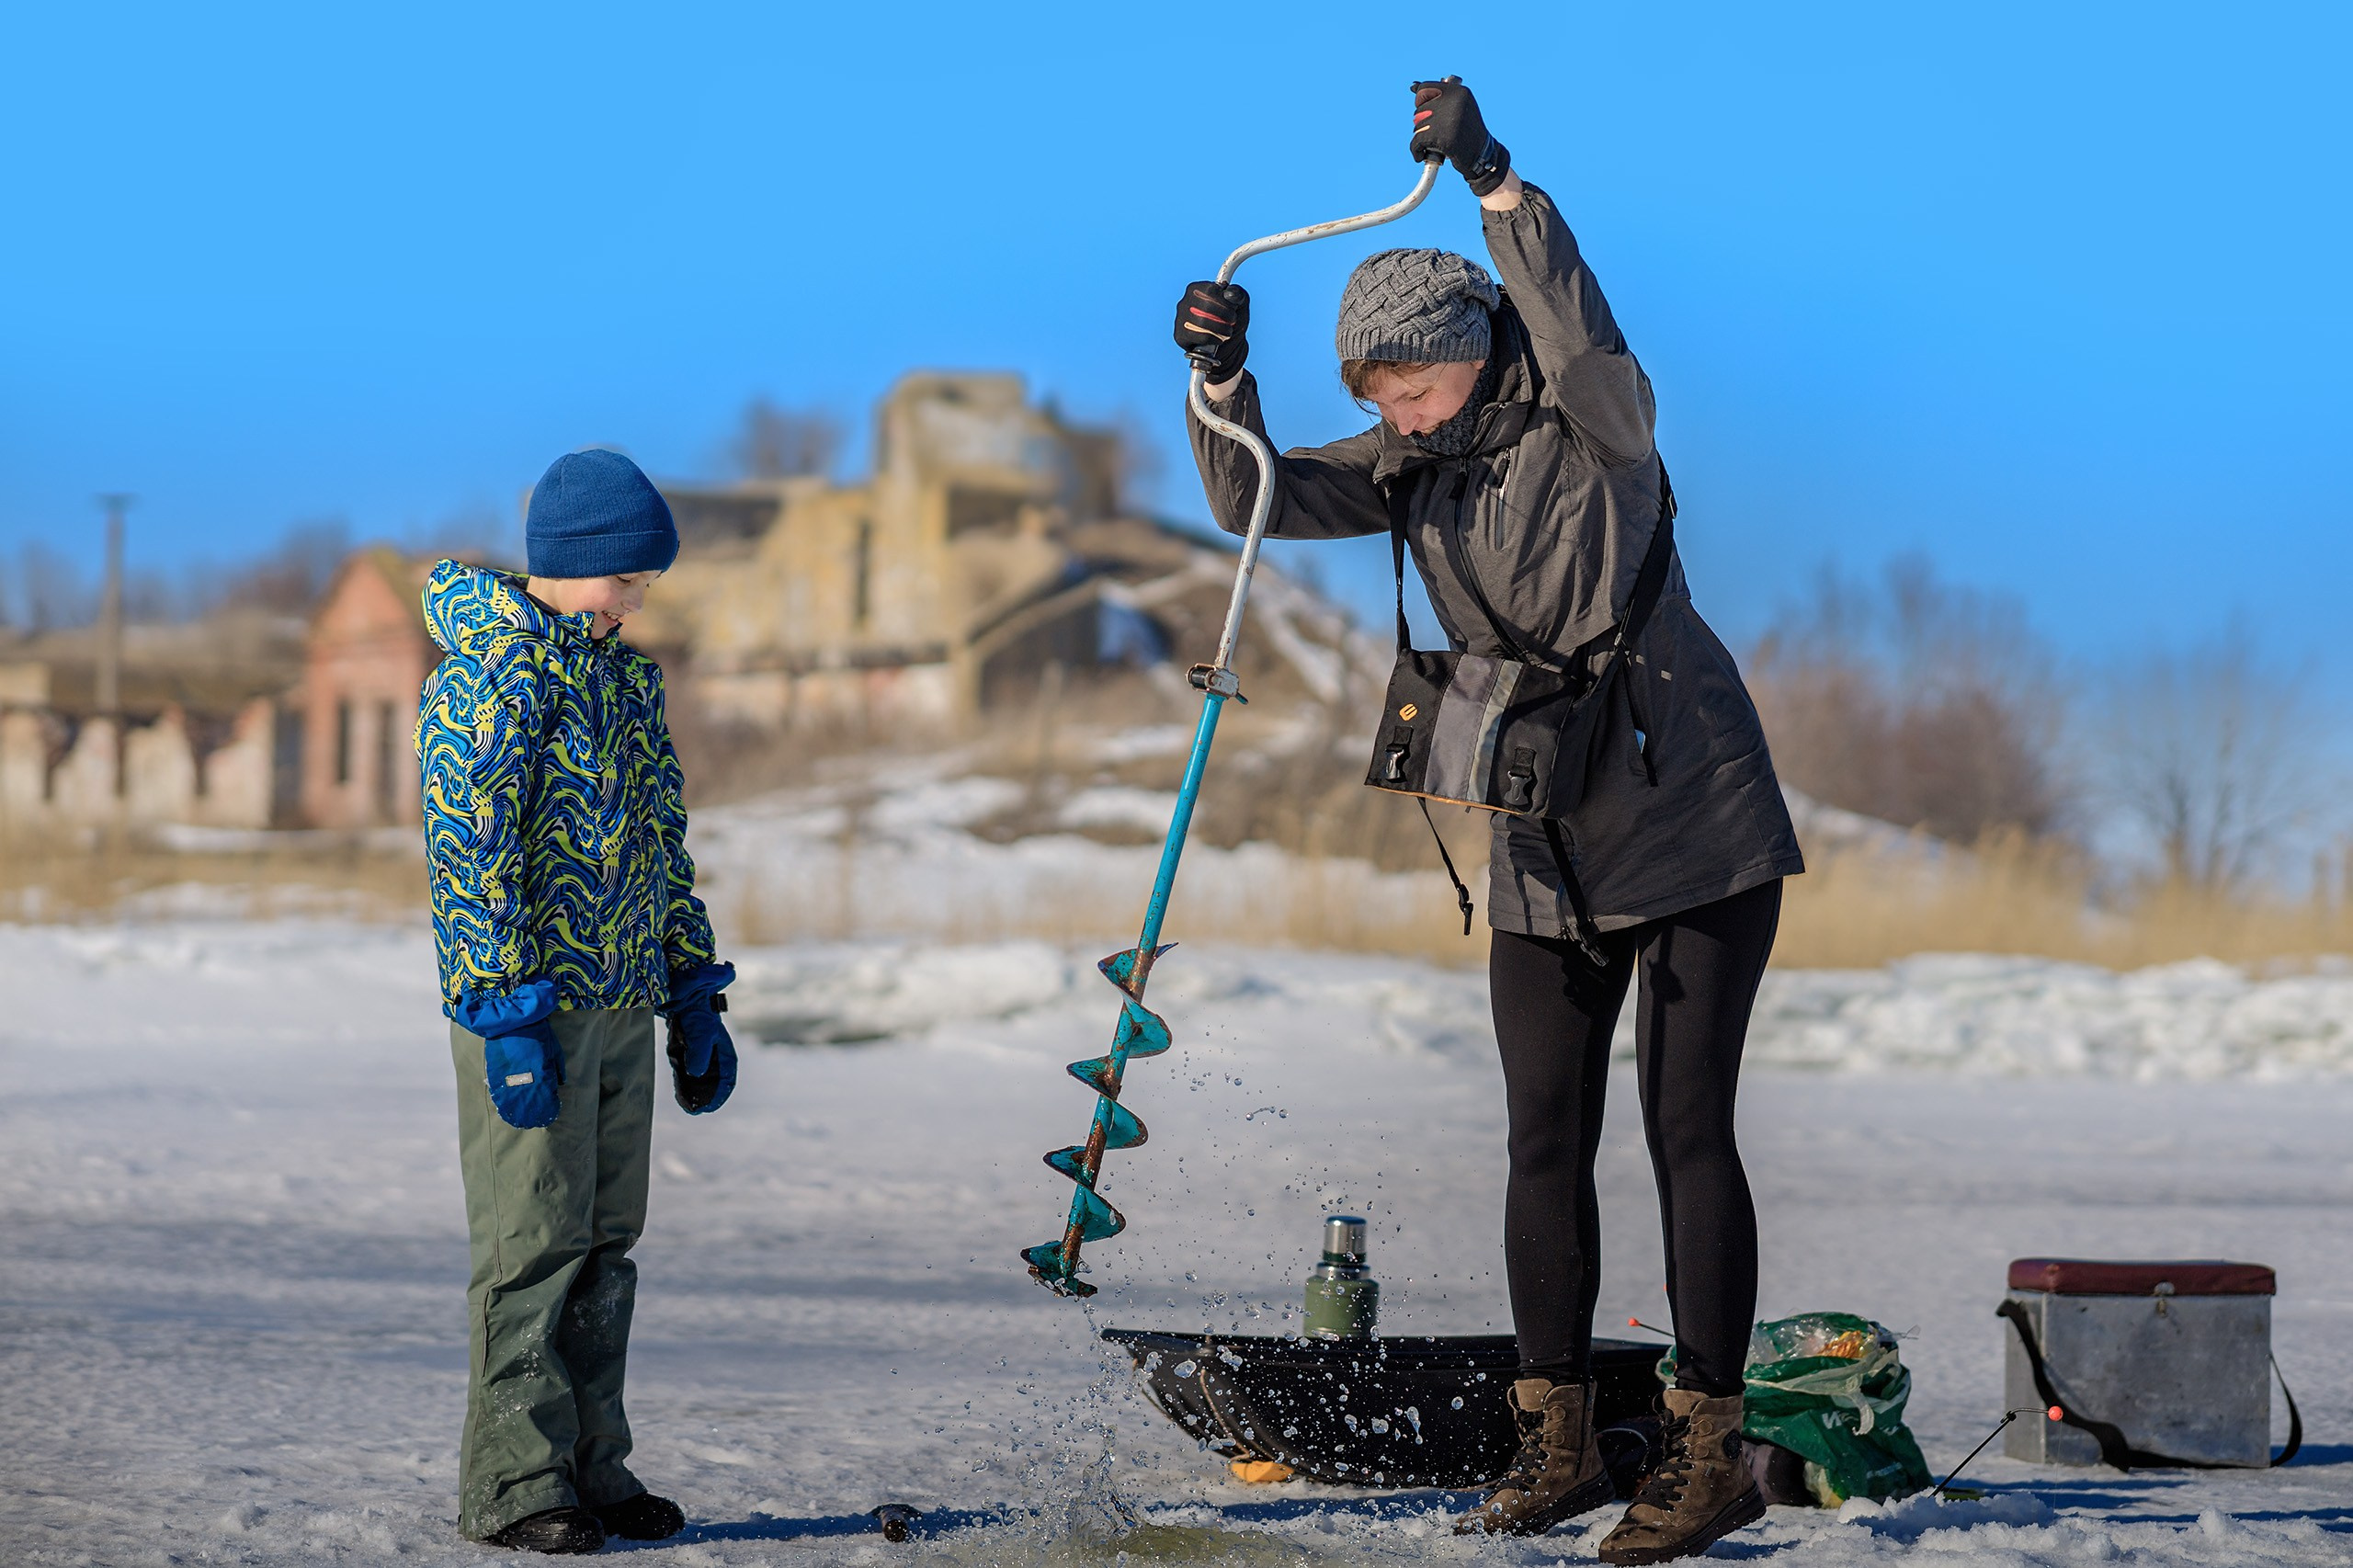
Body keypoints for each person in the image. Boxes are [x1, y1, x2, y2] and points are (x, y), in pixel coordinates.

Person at [1176, 79, 1804, 1562]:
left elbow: (1577, 319)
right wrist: (1218, 379)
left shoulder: (1598, 419)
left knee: (1686, 1124)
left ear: (1463, 357)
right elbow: (1245, 501)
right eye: (1373, 393)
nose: (1387, 414)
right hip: (1546, 831)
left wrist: (1496, 181)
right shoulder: (1411, 467)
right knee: (1542, 1139)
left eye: (1405, 386)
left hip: (1696, 809)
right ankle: (1561, 1442)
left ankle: (1705, 1448)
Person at [415, 449, 740, 1555]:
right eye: (627, 579)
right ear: (571, 563)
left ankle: (593, 1466)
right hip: (530, 1014)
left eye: (648, 581)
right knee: (534, 1245)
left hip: (622, 1002)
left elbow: (662, 843)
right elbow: (469, 851)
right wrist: (501, 1010)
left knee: (607, 1241)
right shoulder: (488, 678)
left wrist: (691, 984)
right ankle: (513, 1481)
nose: (639, 598)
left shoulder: (621, 680)